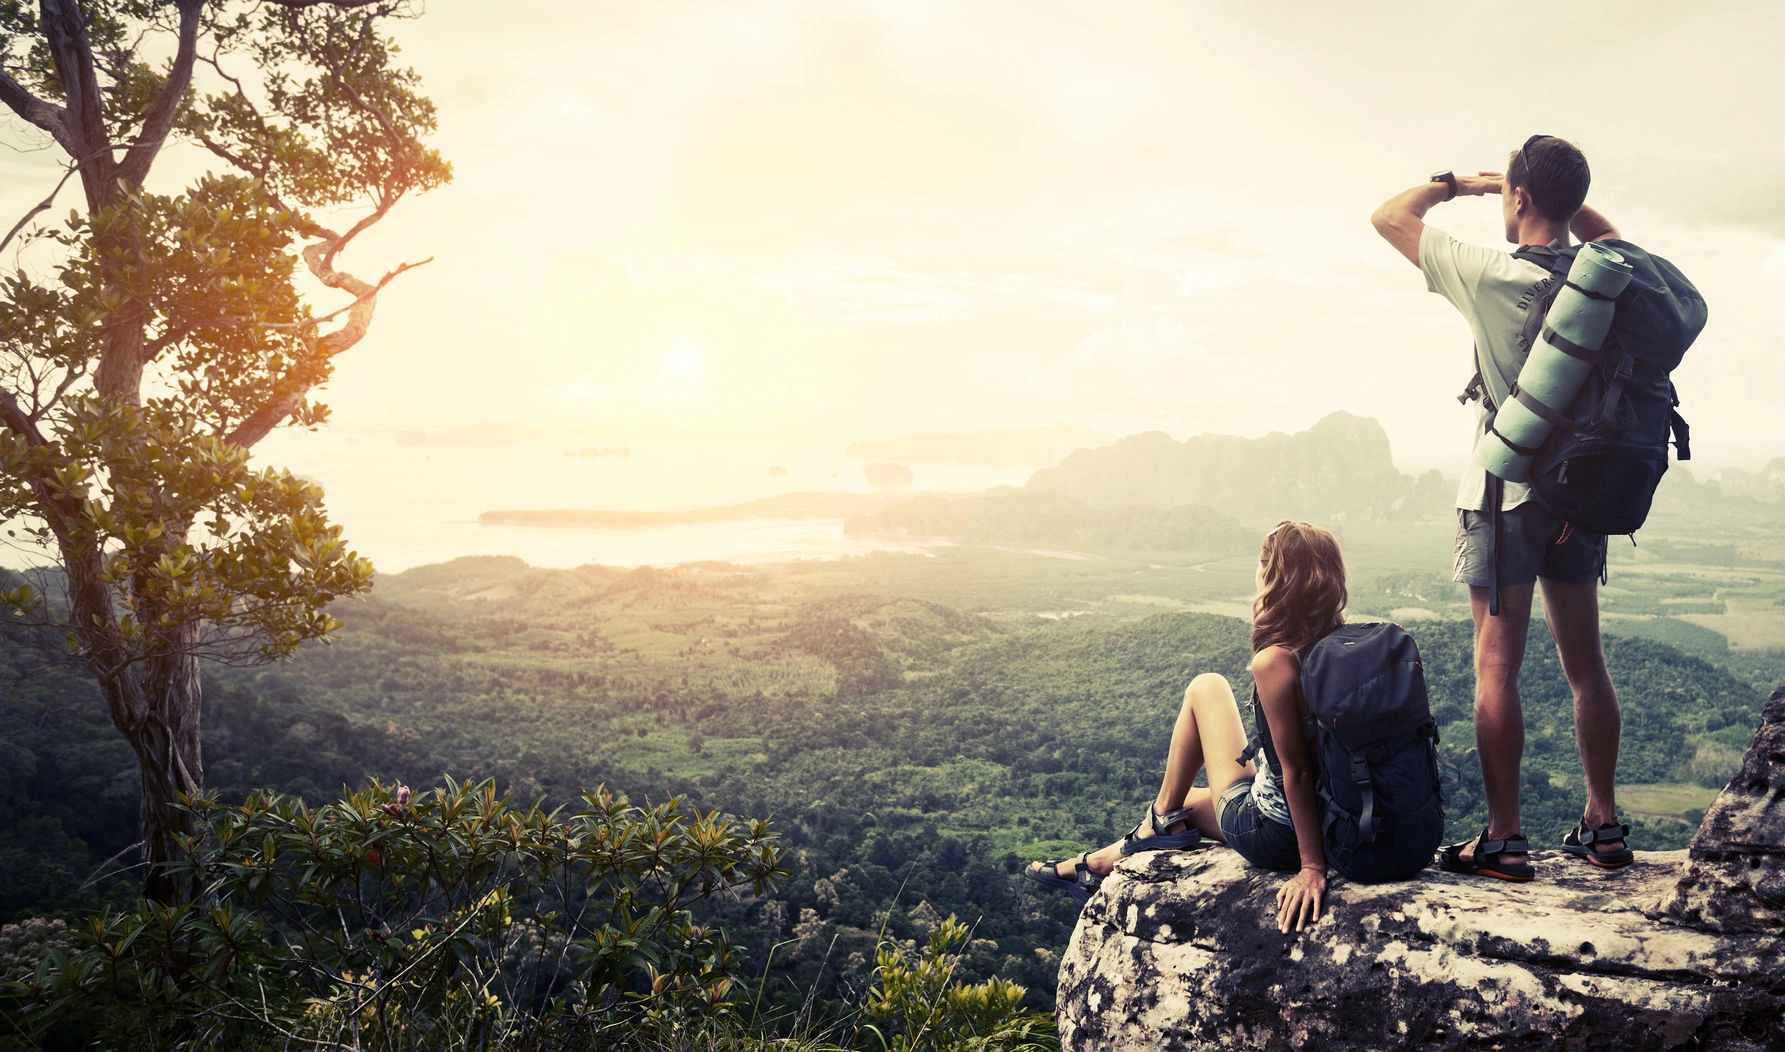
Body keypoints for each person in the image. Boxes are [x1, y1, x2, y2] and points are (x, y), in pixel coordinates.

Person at [1370, 135, 1633, 881]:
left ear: (1519, 198)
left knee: (1496, 667)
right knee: (1587, 665)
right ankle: (1603, 825)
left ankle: (1503, 837)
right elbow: (1610, 237)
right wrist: (1548, 194)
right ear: (1571, 200)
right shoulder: (1604, 273)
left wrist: (1467, 184)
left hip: (1502, 496)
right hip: (1578, 497)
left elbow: (1389, 216)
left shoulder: (1488, 272)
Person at [1026, 521, 1347, 934]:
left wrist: (1311, 867)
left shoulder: (1277, 661)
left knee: (1206, 687)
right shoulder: (1342, 647)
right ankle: (1109, 855)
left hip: (1279, 834)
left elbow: (1296, 773)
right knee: (1186, 809)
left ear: (1274, 579)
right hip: (1336, 820)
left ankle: (1152, 825)